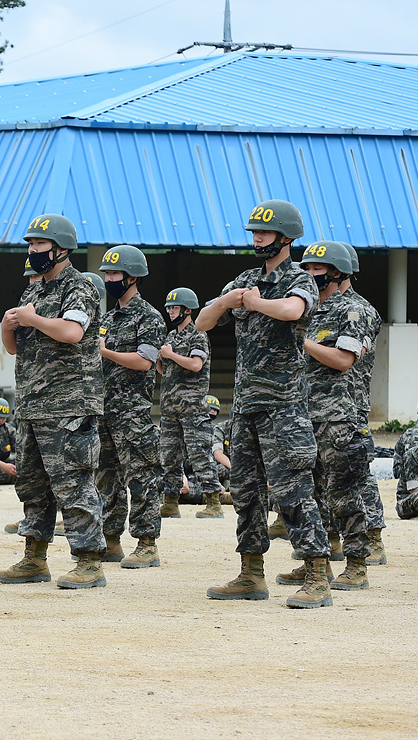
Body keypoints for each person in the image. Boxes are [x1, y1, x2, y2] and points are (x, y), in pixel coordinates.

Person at [199, 199, 331, 608]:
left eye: (265, 232)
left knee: (292, 489)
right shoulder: (245, 278)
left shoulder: (300, 278)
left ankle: (317, 574)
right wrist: (225, 301)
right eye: (254, 231)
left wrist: (255, 303)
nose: (257, 237)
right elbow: (203, 322)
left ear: (286, 237)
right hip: (247, 406)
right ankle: (251, 574)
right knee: (246, 491)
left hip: (284, 406)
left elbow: (293, 310)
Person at [0, 213, 107, 590]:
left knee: (74, 484)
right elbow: (14, 349)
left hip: (69, 404)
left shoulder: (80, 288)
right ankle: (34, 558)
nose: (33, 250)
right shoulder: (34, 292)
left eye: (39, 244)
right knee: (32, 485)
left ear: (60, 249)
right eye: (31, 244)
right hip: (32, 404)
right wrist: (11, 327)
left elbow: (73, 332)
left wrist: (32, 317)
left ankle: (89, 561)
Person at [288, 240, 370, 591]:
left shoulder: (353, 310)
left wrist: (300, 340)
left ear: (337, 272)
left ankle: (356, 564)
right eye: (304, 269)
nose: (308, 275)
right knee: (311, 491)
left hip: (340, 415)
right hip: (305, 413)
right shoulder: (310, 308)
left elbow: (342, 360)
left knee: (345, 492)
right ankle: (317, 562)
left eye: (315, 270)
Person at [96, 244, 166, 568]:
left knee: (142, 476)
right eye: (107, 274)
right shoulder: (108, 318)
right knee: (105, 478)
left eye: (114, 273)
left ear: (133, 277)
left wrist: (105, 352)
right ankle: (110, 541)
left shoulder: (149, 317)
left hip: (132, 412)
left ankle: (147, 543)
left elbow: (144, 361)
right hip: (105, 410)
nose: (109, 279)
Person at [336, 242, 387, 566]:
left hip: (350, 402)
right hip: (323, 402)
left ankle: (374, 537)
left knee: (357, 472)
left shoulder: (360, 310)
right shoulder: (324, 306)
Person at [157, 287, 221, 519]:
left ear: (187, 309)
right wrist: (161, 359)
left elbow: (196, 365)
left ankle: (213, 501)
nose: (171, 312)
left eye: (174, 308)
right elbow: (165, 372)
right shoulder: (171, 336)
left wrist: (171, 355)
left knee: (199, 453)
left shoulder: (198, 334)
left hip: (192, 406)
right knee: (169, 454)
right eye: (169, 308)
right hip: (170, 405)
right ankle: (171, 501)